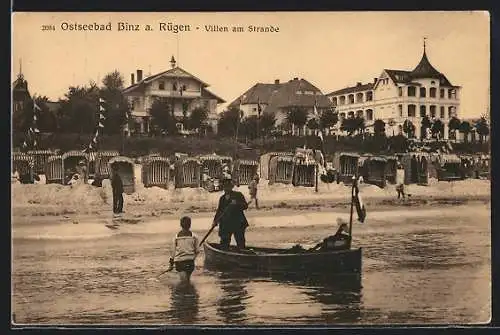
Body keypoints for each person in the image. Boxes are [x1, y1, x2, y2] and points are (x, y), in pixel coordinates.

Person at [212, 178, 249, 250]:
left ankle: (242, 254)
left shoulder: (238, 195)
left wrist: (236, 204)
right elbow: (219, 211)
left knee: (240, 242)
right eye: (225, 187)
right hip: (226, 224)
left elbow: (245, 206)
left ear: (231, 187)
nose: (226, 188)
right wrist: (215, 221)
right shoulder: (222, 198)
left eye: (228, 186)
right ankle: (224, 254)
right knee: (224, 242)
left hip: (238, 222)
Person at [169, 216, 200, 281]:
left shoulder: (176, 237)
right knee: (187, 280)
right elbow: (197, 251)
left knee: (183, 282)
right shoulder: (195, 236)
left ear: (180, 225)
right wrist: (192, 257)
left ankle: (185, 290)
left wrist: (171, 265)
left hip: (180, 262)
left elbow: (173, 253)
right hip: (190, 262)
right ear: (190, 225)